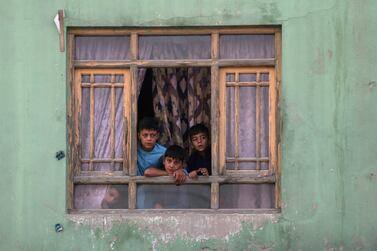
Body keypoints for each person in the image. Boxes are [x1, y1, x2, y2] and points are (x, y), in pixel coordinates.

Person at [137, 117, 186, 183]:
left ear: (157, 136)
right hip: (137, 185)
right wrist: (168, 174)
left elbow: (178, 166)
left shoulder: (163, 152)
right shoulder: (133, 150)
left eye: (152, 135)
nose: (149, 139)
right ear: (139, 136)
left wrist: (180, 171)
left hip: (157, 185)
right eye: (145, 135)